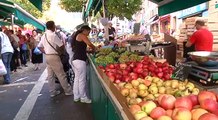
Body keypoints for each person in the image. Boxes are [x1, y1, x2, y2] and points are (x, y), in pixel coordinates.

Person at [38, 21, 73, 97]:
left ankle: (52, 92)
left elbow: (39, 47)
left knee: (50, 75)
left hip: (47, 56)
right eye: (54, 26)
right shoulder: (53, 35)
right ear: (53, 26)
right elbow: (61, 46)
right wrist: (60, 53)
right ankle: (68, 91)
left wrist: (46, 52)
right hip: (54, 56)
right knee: (61, 74)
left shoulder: (44, 35)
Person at [71, 25, 96, 103]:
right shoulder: (82, 35)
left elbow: (80, 48)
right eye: (89, 31)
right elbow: (90, 44)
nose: (89, 33)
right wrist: (95, 49)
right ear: (84, 30)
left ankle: (76, 96)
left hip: (76, 59)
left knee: (77, 79)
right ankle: (83, 97)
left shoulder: (77, 35)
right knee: (82, 80)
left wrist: (87, 51)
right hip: (80, 60)